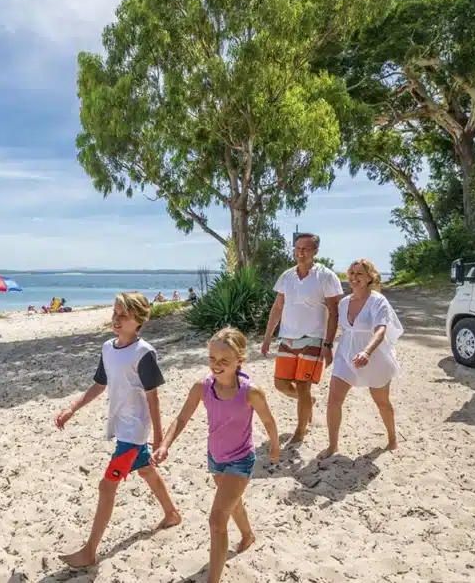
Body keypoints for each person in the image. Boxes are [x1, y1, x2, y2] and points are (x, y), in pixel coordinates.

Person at [55, 292, 181, 567]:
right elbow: (100, 384)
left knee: (106, 485)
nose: (116, 319)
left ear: (139, 320)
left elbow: (153, 397)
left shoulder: (144, 353)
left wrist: (160, 439)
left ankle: (90, 552)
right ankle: (171, 513)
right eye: (115, 313)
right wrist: (73, 408)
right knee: (146, 469)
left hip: (134, 432)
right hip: (120, 424)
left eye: (123, 315)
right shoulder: (107, 348)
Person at [153, 327, 281, 583]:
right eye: (212, 359)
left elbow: (269, 421)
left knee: (216, 520)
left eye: (224, 361)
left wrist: (275, 446)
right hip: (215, 459)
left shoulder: (250, 392)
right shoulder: (202, 387)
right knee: (233, 504)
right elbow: (181, 417)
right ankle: (248, 535)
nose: (216, 365)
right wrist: (165, 444)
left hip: (241, 460)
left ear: (239, 362)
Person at [260, 232, 343, 444]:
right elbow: (277, 307)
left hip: (313, 338)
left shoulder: (326, 276)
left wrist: (328, 344)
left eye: (306, 248)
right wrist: (268, 337)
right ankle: (308, 402)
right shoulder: (287, 276)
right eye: (297, 248)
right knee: (281, 384)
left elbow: (334, 312)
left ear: (315, 251)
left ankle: (300, 429)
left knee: (303, 384)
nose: (301, 252)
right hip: (287, 337)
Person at [323, 258, 403, 458]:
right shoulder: (343, 303)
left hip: (374, 358)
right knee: (333, 400)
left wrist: (367, 352)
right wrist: (326, 346)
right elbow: (339, 327)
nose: (354, 277)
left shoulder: (378, 301)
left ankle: (392, 438)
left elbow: (381, 330)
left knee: (382, 402)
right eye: (351, 273)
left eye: (359, 274)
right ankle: (333, 445)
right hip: (346, 356)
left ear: (370, 278)